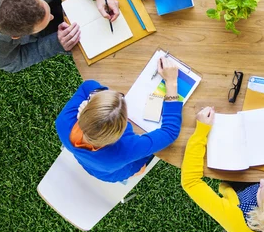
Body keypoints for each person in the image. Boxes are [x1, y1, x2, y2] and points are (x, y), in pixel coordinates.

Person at [55, 58, 183, 182]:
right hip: (117, 170)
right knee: (140, 165)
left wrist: (96, 97)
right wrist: (171, 82)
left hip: (96, 167)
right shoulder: (126, 148)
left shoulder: (63, 122)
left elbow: (87, 85)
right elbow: (170, 132)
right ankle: (139, 171)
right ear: (123, 128)